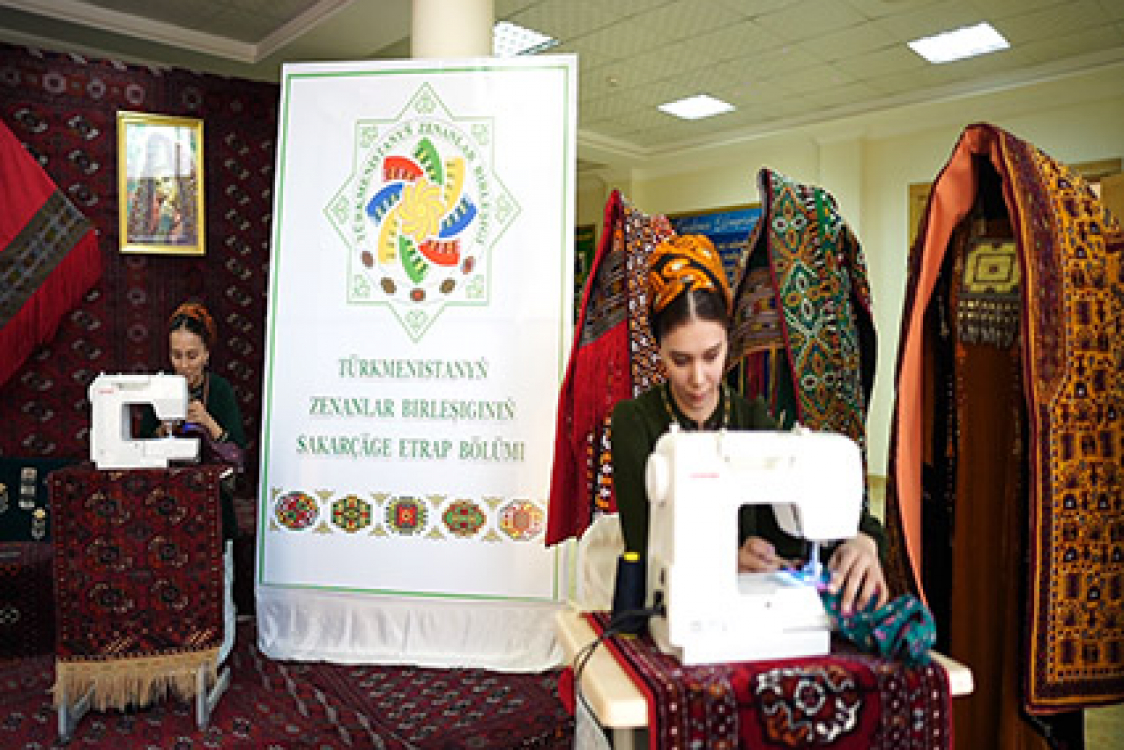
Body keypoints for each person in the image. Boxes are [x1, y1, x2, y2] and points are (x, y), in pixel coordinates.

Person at [610, 235, 888, 614]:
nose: (698, 379)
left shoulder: (752, 419)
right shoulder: (635, 422)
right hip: (669, 611)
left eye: (712, 356)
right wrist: (722, 561)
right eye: (681, 360)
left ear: (729, 338)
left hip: (738, 613)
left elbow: (813, 520)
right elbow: (643, 549)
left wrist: (863, 542)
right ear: (658, 348)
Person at [140, 301, 245, 660]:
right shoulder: (159, 391)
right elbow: (141, 449)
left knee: (216, 583)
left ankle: (217, 654)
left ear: (206, 354)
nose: (183, 365)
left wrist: (209, 422)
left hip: (212, 507)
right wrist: (160, 430)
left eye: (191, 355)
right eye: (176, 355)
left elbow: (238, 455)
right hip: (169, 506)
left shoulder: (221, 392)